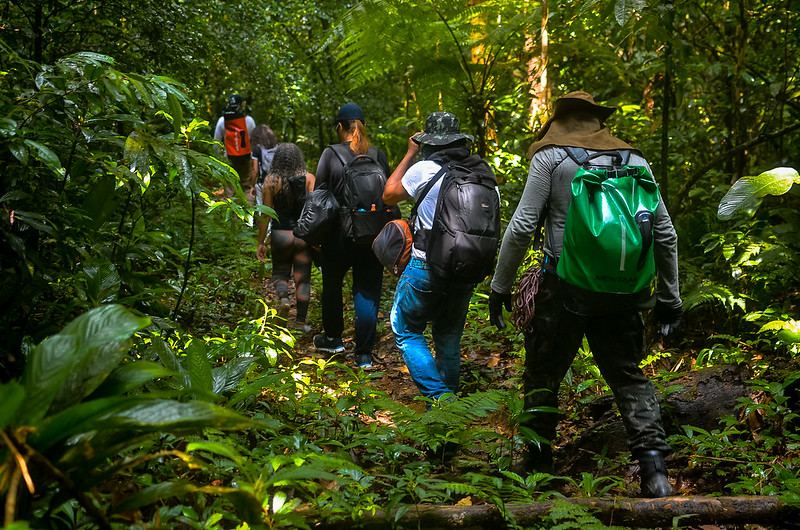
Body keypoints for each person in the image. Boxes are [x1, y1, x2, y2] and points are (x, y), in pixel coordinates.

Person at [487, 91, 682, 498]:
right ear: (598, 121)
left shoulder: (551, 158)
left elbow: (523, 226)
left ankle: (537, 468)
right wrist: (670, 297)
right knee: (628, 377)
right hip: (624, 290)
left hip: (564, 287)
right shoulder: (635, 161)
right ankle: (655, 472)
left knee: (543, 376)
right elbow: (665, 233)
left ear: (559, 121)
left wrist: (499, 287)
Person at [382, 111, 488, 403]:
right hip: (465, 267)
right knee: (449, 337)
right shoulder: (481, 172)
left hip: (425, 265)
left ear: (429, 141)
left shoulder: (424, 169)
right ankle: (447, 419)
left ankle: (441, 398)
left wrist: (409, 153)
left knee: (405, 329)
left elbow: (389, 194)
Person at [312, 103, 390, 368]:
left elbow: (319, 196)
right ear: (362, 125)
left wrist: (315, 237)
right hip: (371, 235)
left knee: (332, 286)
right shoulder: (378, 155)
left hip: (338, 235)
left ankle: (333, 339)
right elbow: (388, 197)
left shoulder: (330, 155)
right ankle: (364, 354)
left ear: (339, 127)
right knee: (367, 291)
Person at [256, 143, 315, 332]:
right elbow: (315, 211)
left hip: (280, 235)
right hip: (302, 236)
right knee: (303, 278)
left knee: (280, 273)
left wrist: (261, 242)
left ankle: (283, 299)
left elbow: (265, 214)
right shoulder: (309, 179)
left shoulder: (270, 182)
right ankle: (300, 322)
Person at [214, 94, 256, 200]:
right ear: (241, 105)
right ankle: (248, 214)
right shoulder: (249, 120)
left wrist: (219, 158)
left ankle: (230, 215)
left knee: (229, 188)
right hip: (246, 157)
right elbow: (254, 141)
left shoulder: (222, 121)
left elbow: (216, 142)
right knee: (246, 187)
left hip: (229, 158)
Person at [250, 125, 278, 207]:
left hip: (263, 182)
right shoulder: (276, 147)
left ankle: (262, 219)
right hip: (277, 181)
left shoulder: (257, 149)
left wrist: (252, 186)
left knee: (262, 207)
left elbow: (255, 170)